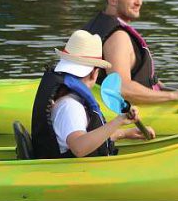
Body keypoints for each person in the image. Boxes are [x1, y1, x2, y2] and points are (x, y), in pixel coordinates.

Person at [31, 30, 155, 159]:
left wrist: (123, 134)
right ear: (94, 73)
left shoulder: (68, 100)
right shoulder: (70, 106)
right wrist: (119, 120)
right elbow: (79, 148)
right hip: (73, 174)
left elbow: (85, 136)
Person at [83, 0, 178, 105]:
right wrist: (173, 96)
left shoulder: (97, 24)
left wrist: (166, 89)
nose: (139, 2)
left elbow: (138, 74)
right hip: (130, 111)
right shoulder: (118, 37)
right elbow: (121, 87)